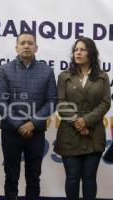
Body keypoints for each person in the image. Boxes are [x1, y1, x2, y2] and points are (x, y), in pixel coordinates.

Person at [0, 31, 57, 200]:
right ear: (16, 47)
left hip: (35, 132)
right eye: (22, 43)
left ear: (36, 47)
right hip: (11, 132)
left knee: (34, 177)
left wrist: (33, 123)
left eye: (30, 43)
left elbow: (52, 101)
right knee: (11, 177)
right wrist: (18, 124)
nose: (26, 46)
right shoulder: (5, 70)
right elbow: (0, 100)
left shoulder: (47, 71)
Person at [54, 37, 111, 200]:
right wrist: (77, 123)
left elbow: (105, 102)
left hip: (93, 133)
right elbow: (61, 103)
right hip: (69, 134)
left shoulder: (102, 76)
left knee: (89, 178)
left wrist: (86, 121)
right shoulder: (64, 75)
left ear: (91, 53)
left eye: (82, 49)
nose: (77, 52)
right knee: (72, 178)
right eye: (76, 49)